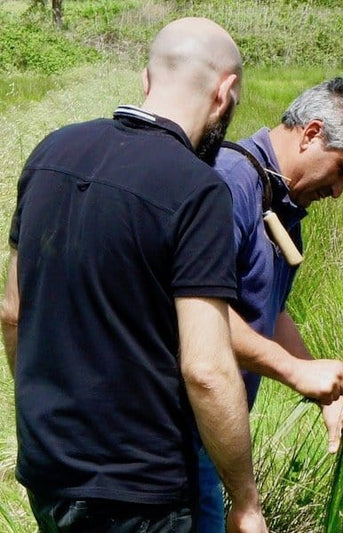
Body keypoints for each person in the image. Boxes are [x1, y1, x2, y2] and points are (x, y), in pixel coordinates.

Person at [1, 17, 268, 533]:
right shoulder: (197, 190)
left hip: (47, 475)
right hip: (141, 498)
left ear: (146, 80)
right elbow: (207, 371)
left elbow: (13, 312)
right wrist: (245, 502)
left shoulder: (49, 153)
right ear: (225, 93)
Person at [193, 76, 343, 532]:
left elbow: (269, 309)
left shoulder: (281, 203)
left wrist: (324, 394)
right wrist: (295, 372)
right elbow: (196, 312)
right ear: (311, 134)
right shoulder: (229, 185)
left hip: (207, 439)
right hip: (172, 439)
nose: (339, 191)